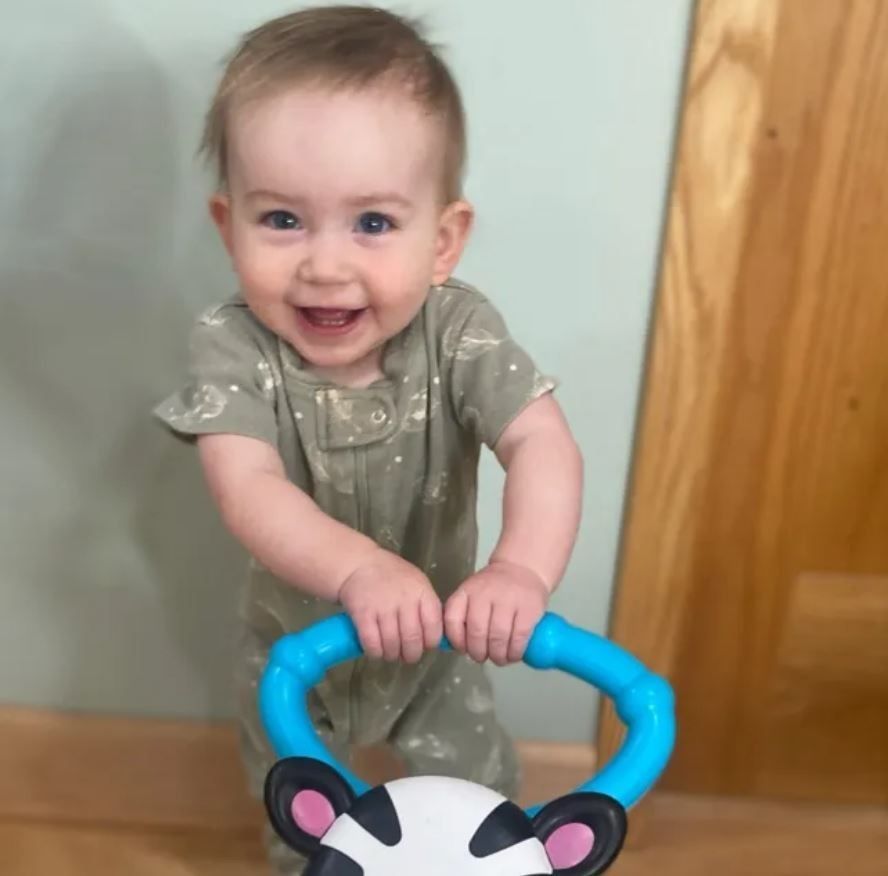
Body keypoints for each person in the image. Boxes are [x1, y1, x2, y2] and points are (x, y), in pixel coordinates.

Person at [154, 6, 583, 873]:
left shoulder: (459, 334)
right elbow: (247, 484)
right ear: (226, 222)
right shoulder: (235, 347)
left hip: (439, 650)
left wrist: (520, 573)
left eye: (373, 224)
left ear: (444, 240)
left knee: (482, 799)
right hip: (296, 657)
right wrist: (357, 571)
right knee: (302, 820)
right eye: (282, 220)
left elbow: (541, 441)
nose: (324, 264)